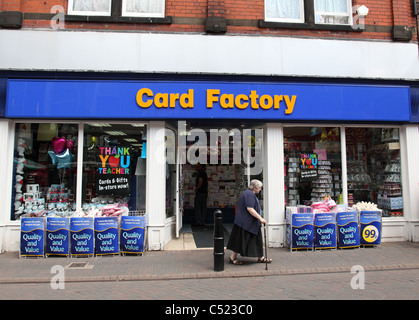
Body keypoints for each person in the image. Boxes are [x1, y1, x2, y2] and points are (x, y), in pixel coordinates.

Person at [227, 179, 272, 265]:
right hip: (246, 223)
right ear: (254, 188)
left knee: (252, 240)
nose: (260, 189)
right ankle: (232, 257)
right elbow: (250, 209)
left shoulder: (249, 193)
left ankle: (260, 257)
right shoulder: (249, 194)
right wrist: (260, 218)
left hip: (248, 223)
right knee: (242, 240)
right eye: (259, 188)